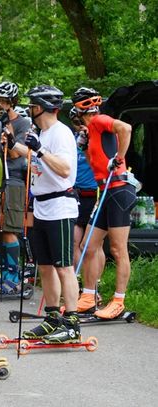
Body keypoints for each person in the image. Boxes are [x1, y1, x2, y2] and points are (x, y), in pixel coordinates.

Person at [7, 85, 80, 343]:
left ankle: (72, 322)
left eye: (32, 105)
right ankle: (51, 318)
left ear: (41, 107)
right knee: (46, 268)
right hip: (41, 207)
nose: (29, 109)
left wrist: (39, 150)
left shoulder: (61, 134)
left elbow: (63, 169)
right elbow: (32, 158)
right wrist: (12, 143)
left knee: (64, 267)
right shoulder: (42, 133)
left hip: (60, 206)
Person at [72, 87, 136, 318]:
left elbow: (125, 128)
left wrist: (118, 158)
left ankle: (118, 300)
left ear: (79, 110)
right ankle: (89, 296)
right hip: (105, 190)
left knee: (118, 250)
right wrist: (85, 146)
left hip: (119, 189)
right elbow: (94, 163)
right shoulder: (91, 130)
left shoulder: (99, 120)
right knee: (89, 246)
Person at [0, 82, 31, 295]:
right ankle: (3, 271)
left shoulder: (23, 123)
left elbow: (16, 154)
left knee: (10, 229)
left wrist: (10, 138)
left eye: (3, 101)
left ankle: (13, 276)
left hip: (14, 180)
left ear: (12, 102)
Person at [68, 107, 105, 301]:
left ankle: (94, 288)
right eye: (76, 123)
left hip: (96, 192)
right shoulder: (74, 141)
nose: (80, 126)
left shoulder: (98, 138)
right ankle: (78, 283)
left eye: (81, 122)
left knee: (93, 244)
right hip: (77, 194)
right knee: (75, 241)